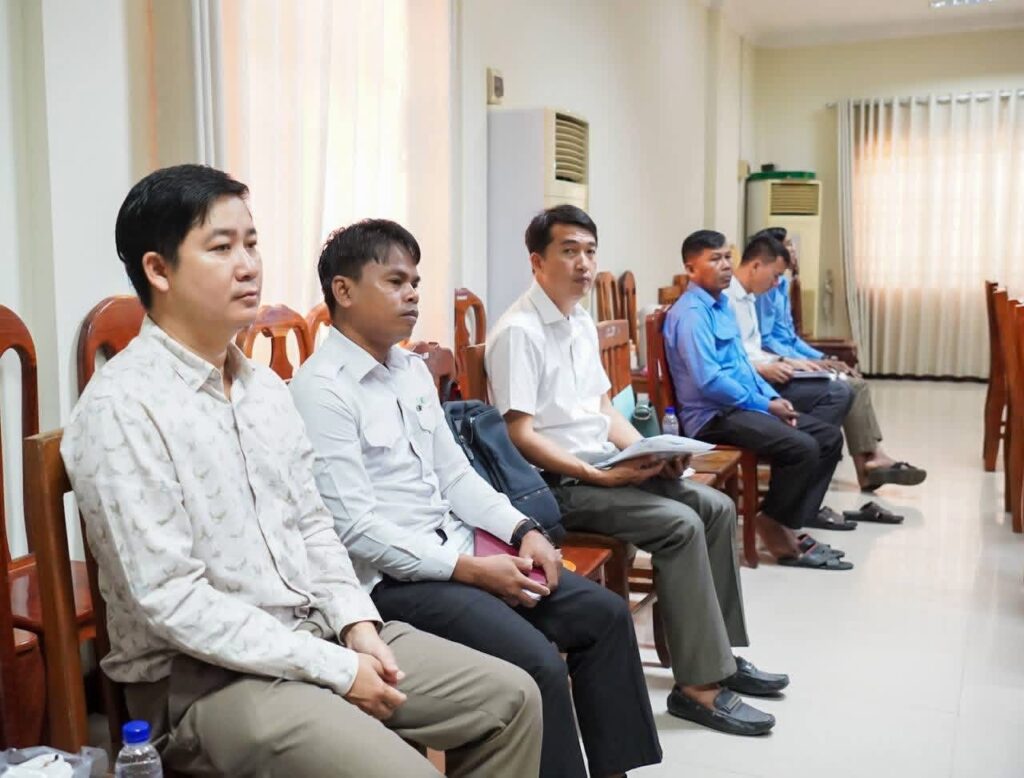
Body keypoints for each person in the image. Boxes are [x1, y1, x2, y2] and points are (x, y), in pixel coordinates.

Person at [62, 165, 543, 778]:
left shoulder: (264, 388)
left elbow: (313, 525)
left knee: (512, 699)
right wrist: (337, 669)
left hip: (317, 633)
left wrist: (357, 625)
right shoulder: (123, 408)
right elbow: (172, 600)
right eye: (221, 248)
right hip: (208, 681)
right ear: (159, 270)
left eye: (252, 243)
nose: (248, 265)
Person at [290, 218, 662, 777]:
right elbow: (356, 531)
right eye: (395, 281)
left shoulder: (410, 370)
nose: (413, 294)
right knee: (536, 663)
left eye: (416, 282)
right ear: (343, 290)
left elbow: (457, 477)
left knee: (605, 615)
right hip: (394, 583)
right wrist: (471, 571)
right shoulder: (322, 390)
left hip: (463, 550)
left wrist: (522, 531)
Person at [486, 205, 788, 738]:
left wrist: (650, 451)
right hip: (558, 485)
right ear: (537, 261)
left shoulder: (579, 320)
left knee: (715, 507)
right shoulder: (519, 331)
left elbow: (604, 410)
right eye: (569, 251)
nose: (584, 263)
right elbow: (520, 435)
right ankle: (697, 688)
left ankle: (718, 654)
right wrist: (597, 475)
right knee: (680, 524)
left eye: (590, 251)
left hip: (603, 464)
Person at [664, 229, 852, 571]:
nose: (725, 265)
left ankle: (785, 521)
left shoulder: (722, 306)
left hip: (738, 406)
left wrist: (771, 398)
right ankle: (774, 528)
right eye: (714, 259)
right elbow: (709, 381)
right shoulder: (691, 314)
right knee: (802, 447)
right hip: (712, 418)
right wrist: (765, 406)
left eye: (727, 257)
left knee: (827, 437)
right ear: (691, 269)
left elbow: (743, 367)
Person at [754, 227, 926, 497]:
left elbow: (790, 337)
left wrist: (821, 358)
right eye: (788, 247)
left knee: (852, 380)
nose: (794, 252)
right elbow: (766, 341)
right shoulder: (762, 289)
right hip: (774, 366)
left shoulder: (781, 284)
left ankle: (870, 462)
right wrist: (802, 362)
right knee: (850, 387)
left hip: (788, 358)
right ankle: (869, 462)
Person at [725, 235, 856, 531]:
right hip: (751, 384)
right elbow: (733, 361)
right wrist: (770, 367)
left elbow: (755, 349)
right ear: (756, 265)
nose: (776, 284)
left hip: (762, 374)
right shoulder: (726, 301)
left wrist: (788, 362)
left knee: (839, 391)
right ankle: (796, 483)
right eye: (774, 276)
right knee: (834, 398)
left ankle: (801, 491)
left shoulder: (747, 297)